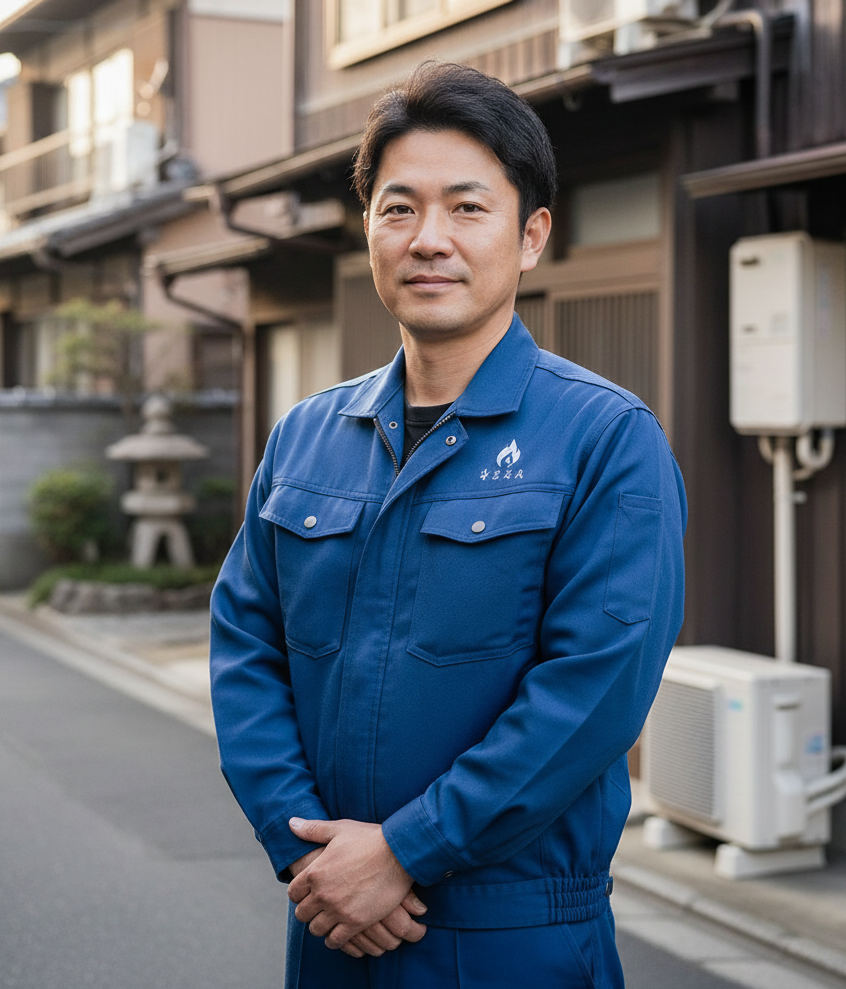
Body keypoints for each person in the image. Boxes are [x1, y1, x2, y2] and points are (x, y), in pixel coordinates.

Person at [210, 61, 686, 988]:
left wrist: (405, 851)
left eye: (467, 208)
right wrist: (306, 848)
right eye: (400, 209)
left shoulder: (605, 438)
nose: (430, 239)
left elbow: (593, 692)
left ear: (532, 234)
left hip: (513, 934)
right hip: (330, 918)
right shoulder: (308, 434)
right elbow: (244, 646)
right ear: (369, 230)